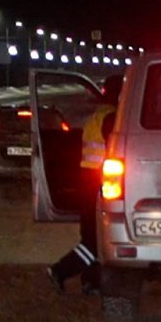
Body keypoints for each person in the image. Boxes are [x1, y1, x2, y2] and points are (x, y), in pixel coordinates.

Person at [47, 74, 123, 294]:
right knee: (94, 241)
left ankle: (91, 282)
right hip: (99, 183)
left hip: (88, 180)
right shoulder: (111, 118)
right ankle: (60, 271)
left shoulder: (96, 116)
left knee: (93, 236)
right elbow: (118, 150)